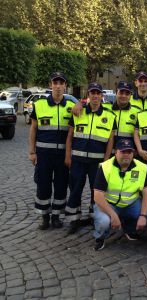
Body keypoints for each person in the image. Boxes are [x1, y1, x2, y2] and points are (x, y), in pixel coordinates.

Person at [65, 82, 116, 234]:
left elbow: (110, 141)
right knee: (75, 190)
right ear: (88, 95)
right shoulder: (78, 112)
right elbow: (69, 136)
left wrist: (106, 161)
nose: (95, 95)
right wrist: (68, 155)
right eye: (92, 93)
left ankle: (96, 218)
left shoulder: (109, 116)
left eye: (97, 93)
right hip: (78, 161)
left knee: (97, 192)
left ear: (101, 96)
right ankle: (74, 220)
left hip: (97, 163)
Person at [28, 72, 75, 229]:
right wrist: (32, 152)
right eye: (55, 83)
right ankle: (44, 216)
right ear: (51, 85)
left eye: (61, 83)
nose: (58, 86)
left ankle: (56, 216)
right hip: (43, 155)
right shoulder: (39, 105)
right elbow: (33, 129)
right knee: (43, 185)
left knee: (61, 186)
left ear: (65, 86)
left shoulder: (71, 107)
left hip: (63, 155)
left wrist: (81, 105)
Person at [92, 139, 147, 250]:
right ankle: (100, 237)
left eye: (129, 152)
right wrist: (113, 215)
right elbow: (97, 196)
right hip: (108, 204)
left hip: (131, 203)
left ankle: (129, 229)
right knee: (104, 221)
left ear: (133, 153)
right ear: (116, 152)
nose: (126, 155)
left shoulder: (142, 168)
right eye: (123, 151)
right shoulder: (105, 167)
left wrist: (143, 216)